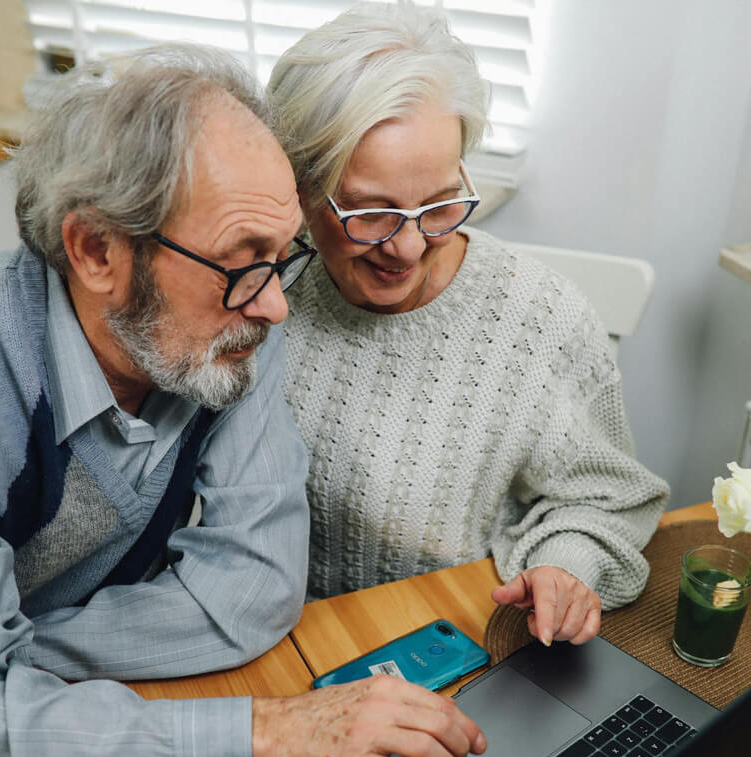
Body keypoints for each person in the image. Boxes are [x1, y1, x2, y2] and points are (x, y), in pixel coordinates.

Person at [0, 44, 485, 757]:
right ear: (96, 248)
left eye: (280, 257)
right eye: (240, 263)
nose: (274, 305)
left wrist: (15, 652)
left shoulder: (227, 333)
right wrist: (264, 732)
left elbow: (254, 592)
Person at [269, 4, 670, 647]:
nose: (405, 248)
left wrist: (563, 568)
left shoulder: (540, 319)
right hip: (282, 639)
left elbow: (607, 498)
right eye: (370, 214)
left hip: (459, 639)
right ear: (300, 189)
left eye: (438, 204)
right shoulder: (261, 290)